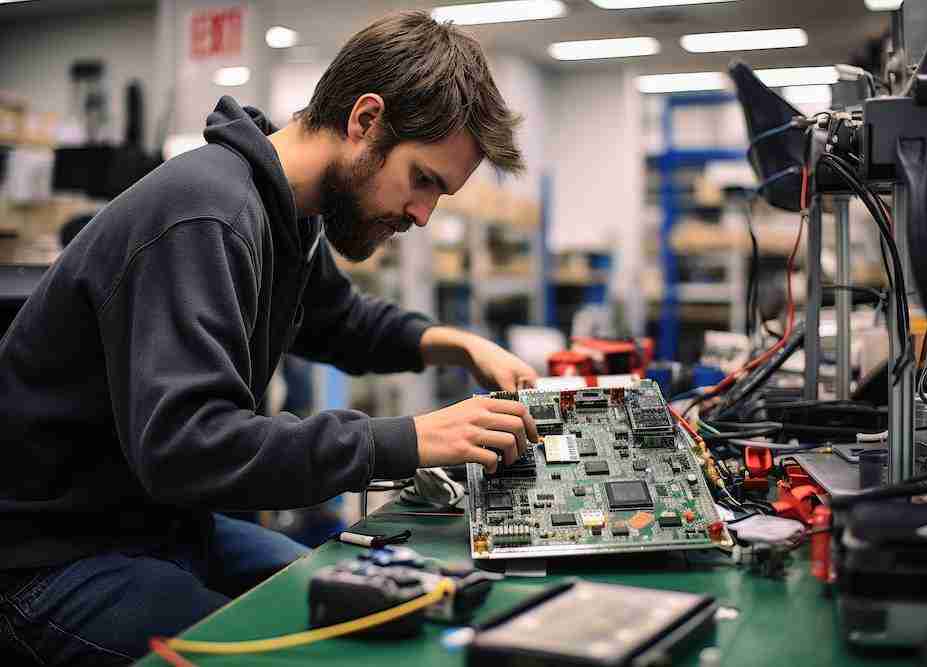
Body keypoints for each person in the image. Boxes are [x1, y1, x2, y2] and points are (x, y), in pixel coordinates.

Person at [0, 11, 539, 664]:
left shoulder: (292, 209)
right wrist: (409, 439)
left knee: (380, 606)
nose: (424, 215)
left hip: (162, 523)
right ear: (364, 121)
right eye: (422, 179)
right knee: (297, 655)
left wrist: (456, 343)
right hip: (56, 555)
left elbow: (336, 318)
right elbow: (187, 444)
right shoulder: (210, 214)